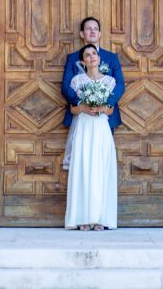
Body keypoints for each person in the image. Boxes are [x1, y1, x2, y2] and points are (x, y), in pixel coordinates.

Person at [64, 43, 118, 230]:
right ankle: (82, 218)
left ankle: (100, 218)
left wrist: (101, 108)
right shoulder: (77, 81)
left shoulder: (109, 82)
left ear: (99, 58)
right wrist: (85, 108)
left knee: (100, 171)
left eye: (94, 54)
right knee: (83, 169)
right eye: (87, 55)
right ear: (83, 61)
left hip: (101, 128)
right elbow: (72, 109)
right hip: (84, 127)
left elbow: (110, 110)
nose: (91, 57)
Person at [61, 17, 125, 131]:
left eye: (95, 29)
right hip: (81, 117)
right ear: (81, 34)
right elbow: (66, 87)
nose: (92, 31)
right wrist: (81, 103)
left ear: (99, 34)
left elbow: (120, 84)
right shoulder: (72, 58)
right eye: (88, 29)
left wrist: (107, 104)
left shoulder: (112, 57)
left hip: (105, 116)